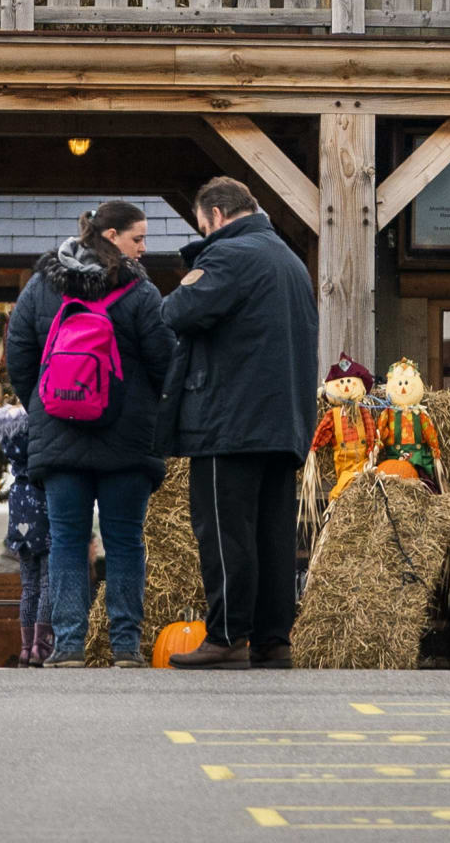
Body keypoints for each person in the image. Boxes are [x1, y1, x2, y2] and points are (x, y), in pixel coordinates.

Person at [0, 199, 175, 669]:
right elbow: (164, 361)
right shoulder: (140, 292)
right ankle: (124, 646)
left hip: (60, 439)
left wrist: (45, 405)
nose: (144, 248)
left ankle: (70, 645)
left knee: (67, 542)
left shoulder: (42, 286)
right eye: (138, 237)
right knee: (124, 542)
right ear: (112, 236)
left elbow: (19, 354)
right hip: (128, 442)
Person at [164, 174, 313, 670]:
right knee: (272, 537)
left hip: (228, 422)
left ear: (218, 216)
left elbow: (178, 312)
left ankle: (227, 634)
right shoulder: (290, 261)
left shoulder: (230, 256)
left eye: (202, 226)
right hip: (282, 423)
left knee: (225, 532)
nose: (203, 236)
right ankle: (273, 639)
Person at [0, 400, 49, 664]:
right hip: (40, 500)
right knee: (47, 581)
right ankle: (42, 644)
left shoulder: (9, 432)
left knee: (28, 585)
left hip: (19, 506)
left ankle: (25, 646)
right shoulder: (36, 423)